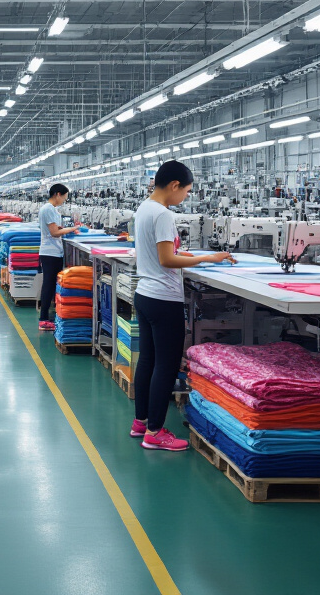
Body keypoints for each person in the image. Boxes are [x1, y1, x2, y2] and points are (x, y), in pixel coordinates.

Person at [133, 160, 234, 452]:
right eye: (187, 192)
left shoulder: (144, 208)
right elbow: (166, 261)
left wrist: (182, 252)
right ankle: (155, 433)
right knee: (165, 366)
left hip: (145, 294)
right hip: (164, 299)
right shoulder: (163, 214)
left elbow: (159, 251)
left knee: (148, 361)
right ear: (174, 185)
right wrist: (206, 258)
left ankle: (141, 422)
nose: (186, 197)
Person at [37, 183, 84, 332]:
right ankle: (43, 319)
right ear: (58, 194)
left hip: (53, 252)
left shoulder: (51, 210)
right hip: (50, 252)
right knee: (49, 285)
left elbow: (56, 229)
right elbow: (54, 233)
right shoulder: (48, 209)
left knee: (50, 285)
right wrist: (73, 229)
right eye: (64, 197)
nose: (64, 200)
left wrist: (67, 230)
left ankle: (46, 317)